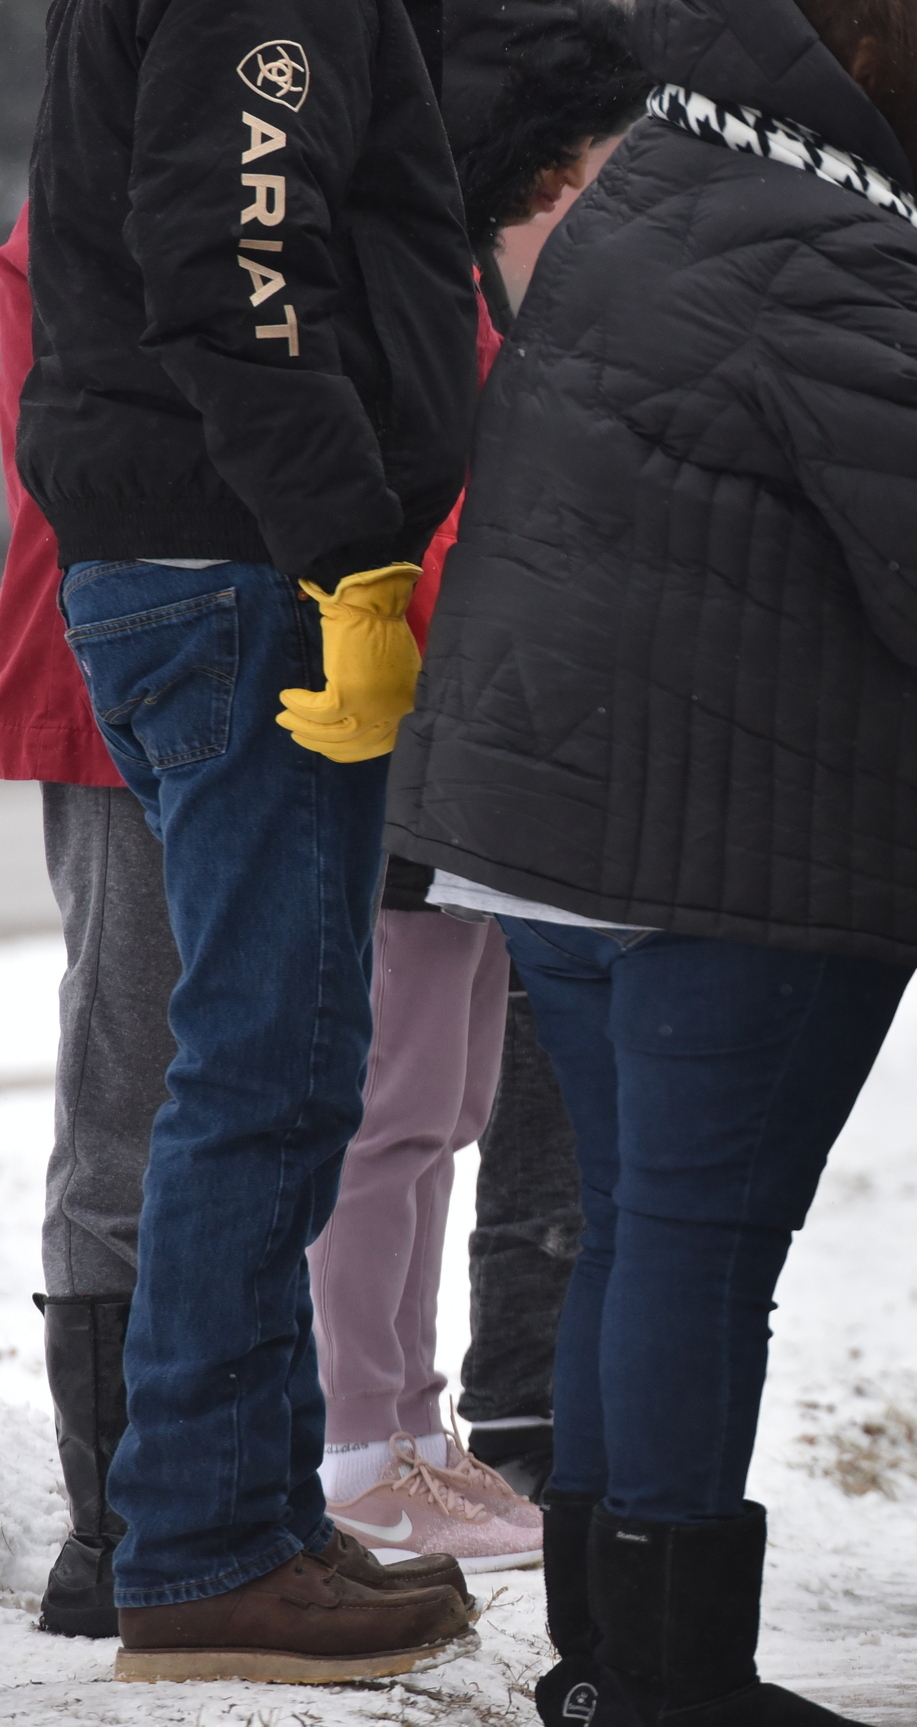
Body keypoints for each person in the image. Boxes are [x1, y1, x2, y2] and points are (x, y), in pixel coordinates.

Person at [382, 0, 917, 1717]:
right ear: (901, 62)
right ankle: (669, 1680)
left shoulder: (660, 186)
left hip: (567, 831)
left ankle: (613, 1661)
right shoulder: (826, 242)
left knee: (641, 1239)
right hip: (724, 852)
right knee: (694, 1249)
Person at [16, 0, 482, 1678]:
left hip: (199, 550)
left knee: (278, 1055)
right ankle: (210, 1545)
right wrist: (347, 540)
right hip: (243, 563)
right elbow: (240, 243)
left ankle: (259, 1516)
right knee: (264, 1067)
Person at [306, 0, 648, 1574]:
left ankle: (419, 1420)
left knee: (444, 1105)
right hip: (405, 733)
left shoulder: (501, 303)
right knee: (386, 1112)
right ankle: (358, 1429)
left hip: (479, 752)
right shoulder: (428, 293)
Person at [0, 204, 185, 1642]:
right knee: (135, 1081)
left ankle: (176, 1509)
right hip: (128, 675)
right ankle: (114, 1532)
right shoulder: (85, 210)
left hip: (193, 658)